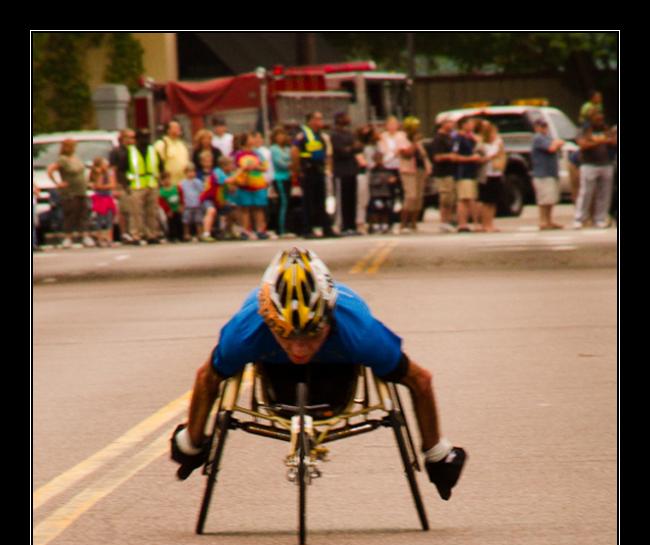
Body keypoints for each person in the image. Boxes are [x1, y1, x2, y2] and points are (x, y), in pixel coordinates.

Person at [170, 247, 467, 503]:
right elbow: (208, 378)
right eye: (286, 335)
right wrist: (192, 445)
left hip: (339, 371)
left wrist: (436, 455)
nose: (299, 349)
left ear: (328, 320)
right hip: (275, 373)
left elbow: (420, 380)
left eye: (311, 335)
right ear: (270, 322)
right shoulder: (246, 332)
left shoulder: (360, 333)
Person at [291, 111, 334, 239]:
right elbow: (295, 152)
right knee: (308, 202)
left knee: (321, 201)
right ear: (310, 121)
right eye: (317, 119)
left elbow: (327, 154)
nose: (320, 122)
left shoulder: (321, 136)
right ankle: (307, 229)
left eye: (321, 119)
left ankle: (327, 228)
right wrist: (297, 170)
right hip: (307, 171)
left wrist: (327, 168)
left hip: (319, 171)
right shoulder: (302, 135)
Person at [47, 139, 94, 249]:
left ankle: (85, 235)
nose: (73, 148)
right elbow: (50, 170)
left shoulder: (76, 158)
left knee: (83, 213)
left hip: (81, 190)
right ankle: (68, 237)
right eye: (72, 146)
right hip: (70, 192)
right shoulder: (62, 159)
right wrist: (57, 183)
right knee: (71, 214)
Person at [573, 112, 617, 229]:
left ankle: (600, 218)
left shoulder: (606, 129)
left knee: (604, 193)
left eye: (601, 119)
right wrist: (601, 141)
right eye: (597, 119)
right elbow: (583, 144)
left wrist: (599, 140)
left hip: (606, 163)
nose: (600, 121)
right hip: (589, 164)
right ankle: (579, 218)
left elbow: (613, 141)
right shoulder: (584, 130)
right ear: (591, 119)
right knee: (586, 192)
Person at [127, 128, 163, 244]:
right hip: (136, 185)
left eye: (146, 137)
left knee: (152, 212)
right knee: (136, 212)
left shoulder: (153, 151)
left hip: (152, 184)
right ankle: (136, 235)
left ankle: (152, 234)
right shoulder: (130, 152)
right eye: (142, 138)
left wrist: (160, 180)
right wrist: (126, 183)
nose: (145, 140)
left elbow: (161, 166)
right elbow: (122, 169)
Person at [233, 132, 270, 239]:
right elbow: (236, 168)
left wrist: (256, 167)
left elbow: (265, 167)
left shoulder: (258, 154)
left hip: (257, 183)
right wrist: (244, 168)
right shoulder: (239, 154)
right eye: (251, 138)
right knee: (245, 208)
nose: (253, 140)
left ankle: (260, 230)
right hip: (244, 184)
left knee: (259, 208)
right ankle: (245, 230)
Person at [398, 116, 431, 233]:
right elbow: (407, 153)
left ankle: (414, 223)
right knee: (410, 196)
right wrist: (414, 143)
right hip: (408, 170)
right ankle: (403, 224)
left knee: (418, 197)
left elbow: (423, 154)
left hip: (419, 169)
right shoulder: (402, 138)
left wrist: (428, 166)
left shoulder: (418, 140)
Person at [531, 119, 565, 230]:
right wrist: (556, 143)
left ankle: (549, 220)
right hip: (542, 174)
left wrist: (557, 142)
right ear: (536, 127)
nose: (544, 128)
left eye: (545, 126)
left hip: (551, 173)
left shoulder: (548, 137)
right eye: (541, 126)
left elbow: (559, 143)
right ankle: (543, 221)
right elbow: (551, 148)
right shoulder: (538, 138)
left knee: (551, 199)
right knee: (544, 199)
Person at [330, 112, 361, 235]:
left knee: (352, 199)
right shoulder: (335, 135)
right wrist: (352, 147)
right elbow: (341, 151)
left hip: (352, 169)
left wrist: (351, 147)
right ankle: (342, 225)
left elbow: (359, 147)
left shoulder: (350, 133)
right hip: (341, 171)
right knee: (342, 199)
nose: (349, 119)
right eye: (345, 117)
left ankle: (351, 225)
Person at [451, 117, 482, 232]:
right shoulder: (458, 138)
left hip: (472, 172)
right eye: (470, 123)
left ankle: (473, 223)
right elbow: (454, 156)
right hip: (463, 172)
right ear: (463, 125)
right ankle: (463, 223)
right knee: (465, 199)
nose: (472, 125)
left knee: (471, 197)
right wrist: (470, 159)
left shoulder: (470, 138)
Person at [476, 121, 506, 233]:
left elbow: (501, 154)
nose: (495, 135)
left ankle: (491, 223)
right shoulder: (482, 146)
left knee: (493, 201)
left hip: (496, 174)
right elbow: (481, 159)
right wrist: (491, 156)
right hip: (486, 175)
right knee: (486, 202)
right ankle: (485, 224)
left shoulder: (497, 144)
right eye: (493, 132)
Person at [428, 118, 458, 233]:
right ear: (443, 124)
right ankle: (443, 221)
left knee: (452, 197)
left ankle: (450, 220)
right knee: (445, 197)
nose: (452, 125)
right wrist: (450, 156)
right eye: (449, 122)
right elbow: (437, 157)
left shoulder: (450, 138)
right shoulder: (438, 139)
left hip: (451, 171)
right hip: (442, 173)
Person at [109, 128, 136, 242]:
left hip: (134, 183)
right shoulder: (116, 152)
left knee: (133, 209)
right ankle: (124, 233)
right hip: (121, 183)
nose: (132, 140)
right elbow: (112, 169)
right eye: (130, 137)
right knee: (124, 210)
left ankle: (134, 232)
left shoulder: (134, 151)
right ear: (123, 138)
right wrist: (114, 186)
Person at [89, 156, 117, 246]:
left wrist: (103, 186)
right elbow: (97, 185)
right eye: (104, 164)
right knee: (99, 218)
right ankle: (100, 238)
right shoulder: (96, 174)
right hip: (99, 197)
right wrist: (100, 174)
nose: (106, 165)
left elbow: (112, 184)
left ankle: (109, 238)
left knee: (109, 218)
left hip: (107, 197)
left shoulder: (109, 172)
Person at [367, 151, 398, 233]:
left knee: (386, 210)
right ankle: (376, 225)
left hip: (386, 194)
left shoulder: (387, 170)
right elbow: (372, 182)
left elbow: (393, 179)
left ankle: (385, 225)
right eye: (377, 159)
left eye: (380, 158)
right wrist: (383, 180)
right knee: (376, 209)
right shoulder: (372, 171)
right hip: (376, 195)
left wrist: (392, 180)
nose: (379, 160)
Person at [270, 127, 293, 237]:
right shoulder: (273, 149)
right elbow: (279, 163)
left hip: (288, 177)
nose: (281, 137)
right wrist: (291, 164)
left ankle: (287, 226)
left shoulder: (288, 149)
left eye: (283, 135)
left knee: (287, 202)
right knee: (283, 202)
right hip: (279, 177)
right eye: (278, 135)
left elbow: (292, 158)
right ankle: (281, 229)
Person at [155, 120, 190, 187]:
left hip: (183, 184)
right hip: (169, 185)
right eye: (175, 127)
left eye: (179, 127)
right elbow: (157, 164)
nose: (178, 129)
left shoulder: (182, 145)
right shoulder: (161, 144)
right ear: (168, 130)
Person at [179, 163, 204, 242]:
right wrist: (181, 204)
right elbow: (181, 194)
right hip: (187, 205)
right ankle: (186, 234)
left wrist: (201, 201)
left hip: (197, 204)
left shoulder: (198, 182)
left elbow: (201, 192)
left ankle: (200, 234)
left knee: (198, 221)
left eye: (193, 172)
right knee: (186, 221)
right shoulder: (182, 183)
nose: (191, 174)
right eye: (189, 172)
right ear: (185, 173)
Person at [158, 170, 183, 242]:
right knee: (171, 223)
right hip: (169, 211)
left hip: (177, 208)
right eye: (164, 179)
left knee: (179, 222)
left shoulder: (176, 187)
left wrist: (181, 205)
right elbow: (162, 203)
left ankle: (180, 236)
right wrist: (168, 210)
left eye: (168, 178)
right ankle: (172, 236)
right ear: (161, 181)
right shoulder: (161, 192)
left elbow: (181, 196)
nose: (166, 181)